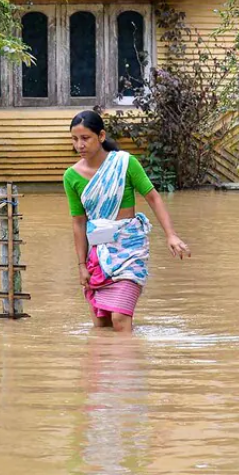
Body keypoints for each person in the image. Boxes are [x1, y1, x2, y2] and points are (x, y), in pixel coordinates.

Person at [64, 110, 190, 332]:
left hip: (129, 251)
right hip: (97, 256)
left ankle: (127, 363)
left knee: (120, 320)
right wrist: (81, 265)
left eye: (85, 138)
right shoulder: (71, 176)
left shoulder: (125, 163)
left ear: (101, 136)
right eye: (75, 139)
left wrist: (171, 235)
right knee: (101, 326)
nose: (80, 145)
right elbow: (78, 222)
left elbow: (153, 197)